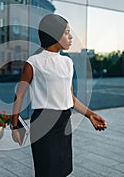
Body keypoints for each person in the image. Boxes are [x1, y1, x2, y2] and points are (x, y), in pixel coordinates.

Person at [11, 14, 107, 177]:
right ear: (54, 35)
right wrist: (15, 126)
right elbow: (19, 96)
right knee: (46, 171)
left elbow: (71, 99)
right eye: (67, 33)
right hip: (43, 122)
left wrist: (91, 115)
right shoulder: (33, 62)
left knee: (62, 170)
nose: (70, 37)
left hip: (64, 122)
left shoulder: (68, 63)